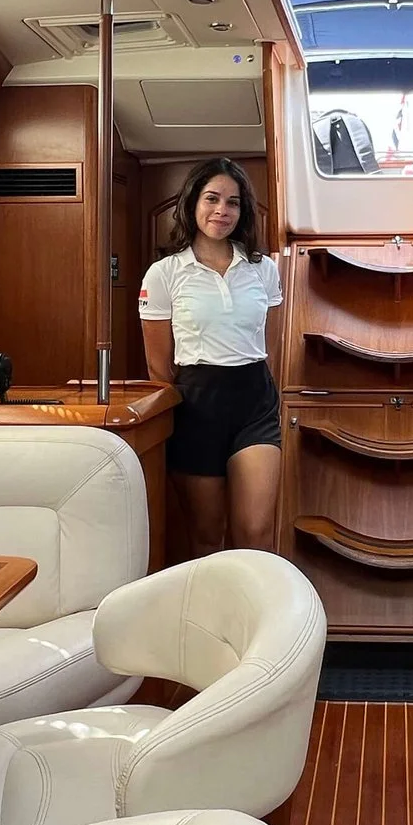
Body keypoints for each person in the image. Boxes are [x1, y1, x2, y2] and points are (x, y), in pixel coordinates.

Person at [138, 158, 282, 556]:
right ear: (191, 204)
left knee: (255, 531)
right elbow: (158, 367)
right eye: (212, 198)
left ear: (243, 211)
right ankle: (214, 618)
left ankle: (256, 617)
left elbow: (266, 339)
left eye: (233, 203)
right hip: (196, 406)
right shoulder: (163, 274)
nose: (222, 211)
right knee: (207, 536)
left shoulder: (263, 269)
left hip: (255, 399)